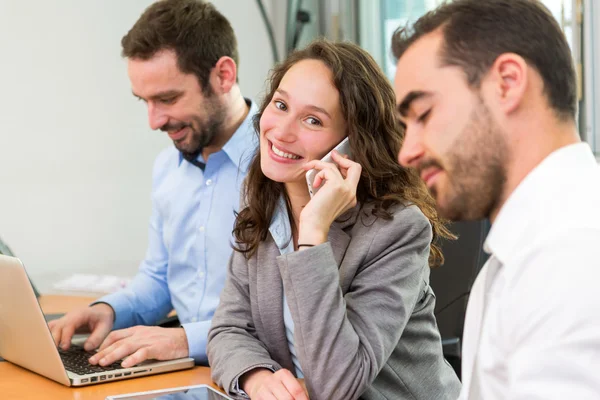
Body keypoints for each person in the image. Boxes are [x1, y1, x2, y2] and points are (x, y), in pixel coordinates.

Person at [207, 39, 461, 400]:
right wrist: (257, 377)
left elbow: (338, 385)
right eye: (280, 105)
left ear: (351, 145)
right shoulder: (266, 206)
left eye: (313, 120)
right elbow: (227, 329)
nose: (281, 131)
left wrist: (313, 233)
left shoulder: (397, 230)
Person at [392, 0, 600, 399]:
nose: (408, 151)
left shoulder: (571, 256)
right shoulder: (520, 256)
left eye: (423, 114)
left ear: (507, 82)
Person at [48, 0, 257, 367]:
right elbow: (161, 277)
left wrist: (181, 340)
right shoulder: (168, 168)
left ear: (224, 76)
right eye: (144, 101)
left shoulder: (279, 164)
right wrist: (110, 310)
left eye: (168, 98)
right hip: (186, 375)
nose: (154, 120)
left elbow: (292, 316)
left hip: (253, 373)